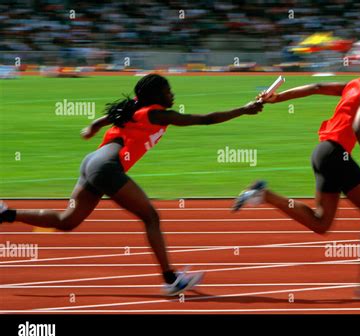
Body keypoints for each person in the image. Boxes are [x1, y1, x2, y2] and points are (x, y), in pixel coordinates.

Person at [0, 74, 264, 296]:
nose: (172, 94)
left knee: (67, 220)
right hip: (106, 167)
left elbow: (102, 120)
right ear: (157, 96)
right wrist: (244, 109)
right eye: (168, 91)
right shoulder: (155, 114)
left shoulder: (132, 110)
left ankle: (5, 214)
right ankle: (171, 279)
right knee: (150, 216)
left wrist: (92, 128)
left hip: (93, 162)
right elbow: (204, 119)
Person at [233, 47, 360, 299]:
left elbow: (315, 87)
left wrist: (276, 98)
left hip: (323, 152)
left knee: (321, 222)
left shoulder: (354, 85)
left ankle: (264, 195)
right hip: (335, 155)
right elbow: (359, 128)